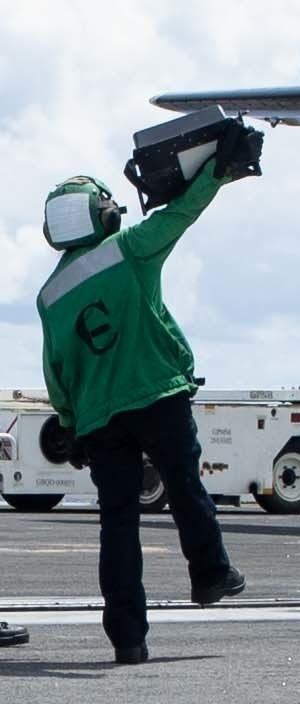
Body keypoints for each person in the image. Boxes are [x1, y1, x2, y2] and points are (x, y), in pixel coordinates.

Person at [35, 161, 253, 665]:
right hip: (157, 394)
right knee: (183, 486)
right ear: (101, 214)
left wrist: (69, 425)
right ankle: (210, 574)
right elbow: (182, 212)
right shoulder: (129, 249)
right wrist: (219, 169)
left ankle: (127, 639)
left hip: (97, 420)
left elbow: (56, 370)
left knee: (117, 525)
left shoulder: (49, 296)